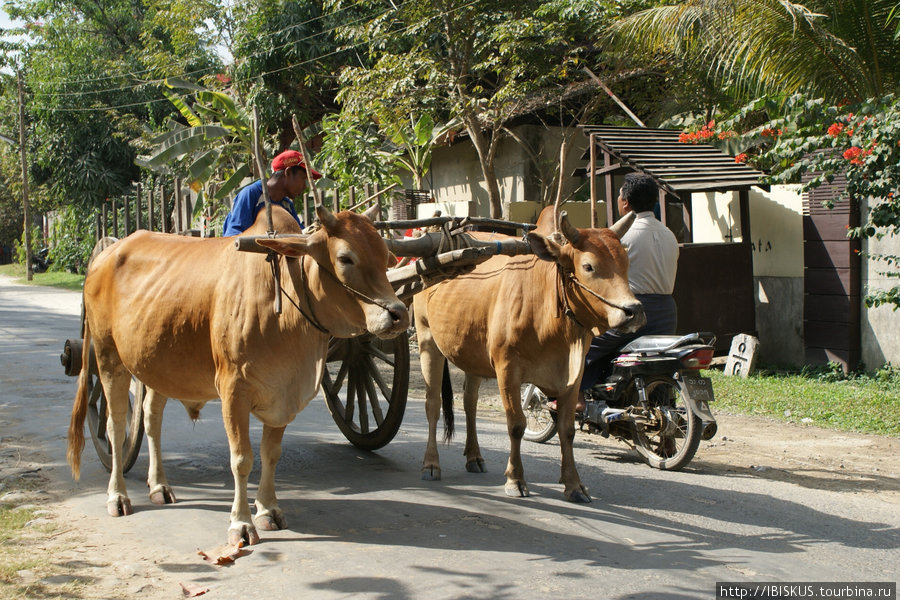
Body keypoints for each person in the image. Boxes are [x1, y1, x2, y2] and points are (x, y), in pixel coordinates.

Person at [578, 172, 680, 410]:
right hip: (667, 313)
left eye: (619, 195)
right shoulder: (669, 235)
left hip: (633, 311)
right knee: (660, 363)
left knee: (585, 345)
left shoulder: (619, 238)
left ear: (625, 202)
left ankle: (576, 396)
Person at [222, 149, 322, 237]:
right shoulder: (250, 194)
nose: (305, 186)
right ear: (288, 173)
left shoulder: (287, 205)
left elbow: (298, 234)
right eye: (303, 179)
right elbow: (233, 236)